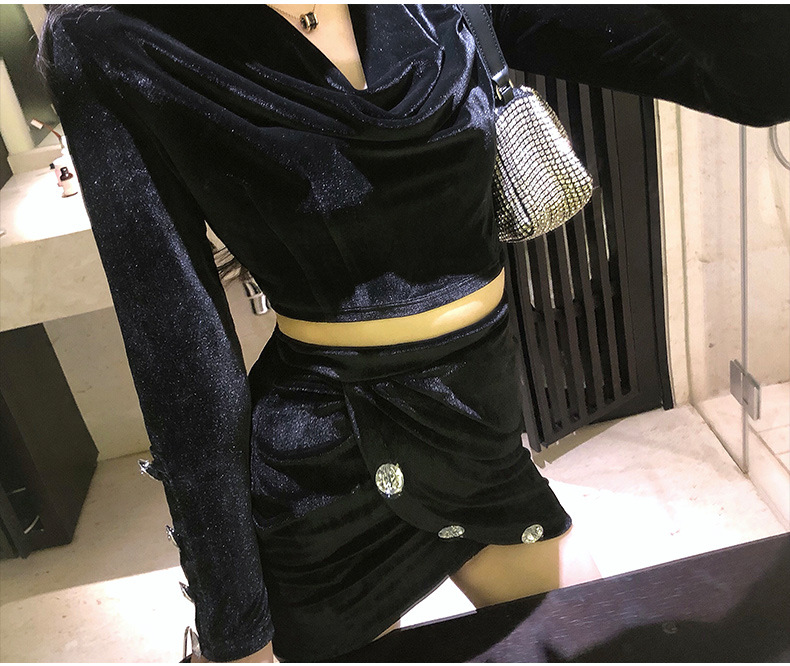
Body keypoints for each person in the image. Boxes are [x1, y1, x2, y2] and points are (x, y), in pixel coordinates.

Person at [37, 4, 790, 663]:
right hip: (326, 477)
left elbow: (759, 82)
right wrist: (233, 629)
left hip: (480, 436)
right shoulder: (112, 38)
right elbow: (180, 360)